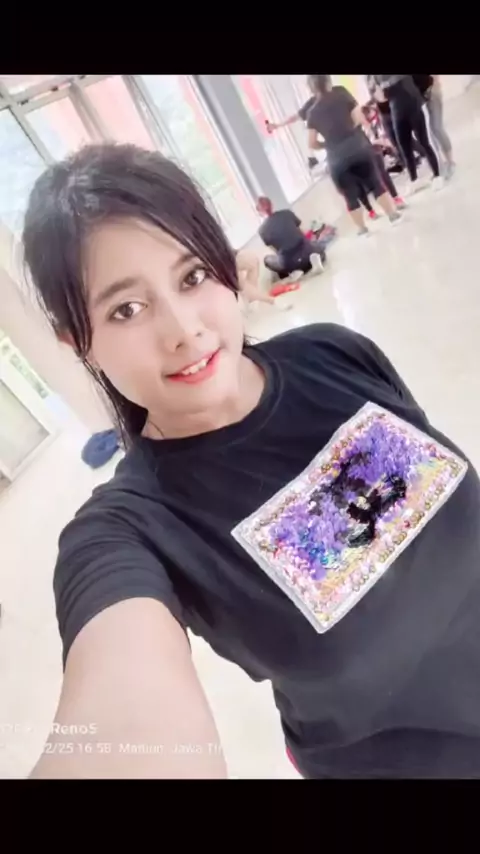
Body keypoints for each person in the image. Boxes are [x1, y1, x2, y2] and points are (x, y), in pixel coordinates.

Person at [24, 144, 480, 781]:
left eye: (192, 277)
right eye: (127, 309)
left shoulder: (334, 352)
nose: (184, 329)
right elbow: (127, 723)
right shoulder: (131, 530)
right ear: (79, 341)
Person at [306, 75, 402, 236]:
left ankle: (363, 230)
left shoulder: (312, 113)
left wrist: (328, 144)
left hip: (336, 159)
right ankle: (393, 216)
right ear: (328, 81)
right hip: (358, 147)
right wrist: (350, 131)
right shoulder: (341, 93)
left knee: (350, 196)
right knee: (375, 183)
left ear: (312, 89)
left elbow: (312, 143)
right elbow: (358, 118)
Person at [373, 75, 441, 193]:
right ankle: (414, 180)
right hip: (396, 110)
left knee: (424, 142)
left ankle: (437, 175)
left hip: (412, 104)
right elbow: (381, 97)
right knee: (404, 147)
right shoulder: (377, 76)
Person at [256, 196, 326, 280]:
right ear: (271, 204)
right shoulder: (287, 213)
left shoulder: (262, 230)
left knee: (267, 260)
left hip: (289, 262)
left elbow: (275, 251)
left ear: (259, 212)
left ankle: (294, 271)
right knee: (317, 245)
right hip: (306, 252)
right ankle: (314, 260)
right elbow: (302, 234)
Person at [412, 74, 455, 179]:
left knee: (437, 127)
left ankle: (450, 161)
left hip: (431, 91)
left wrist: (435, 85)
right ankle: (441, 164)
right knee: (429, 133)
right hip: (420, 98)